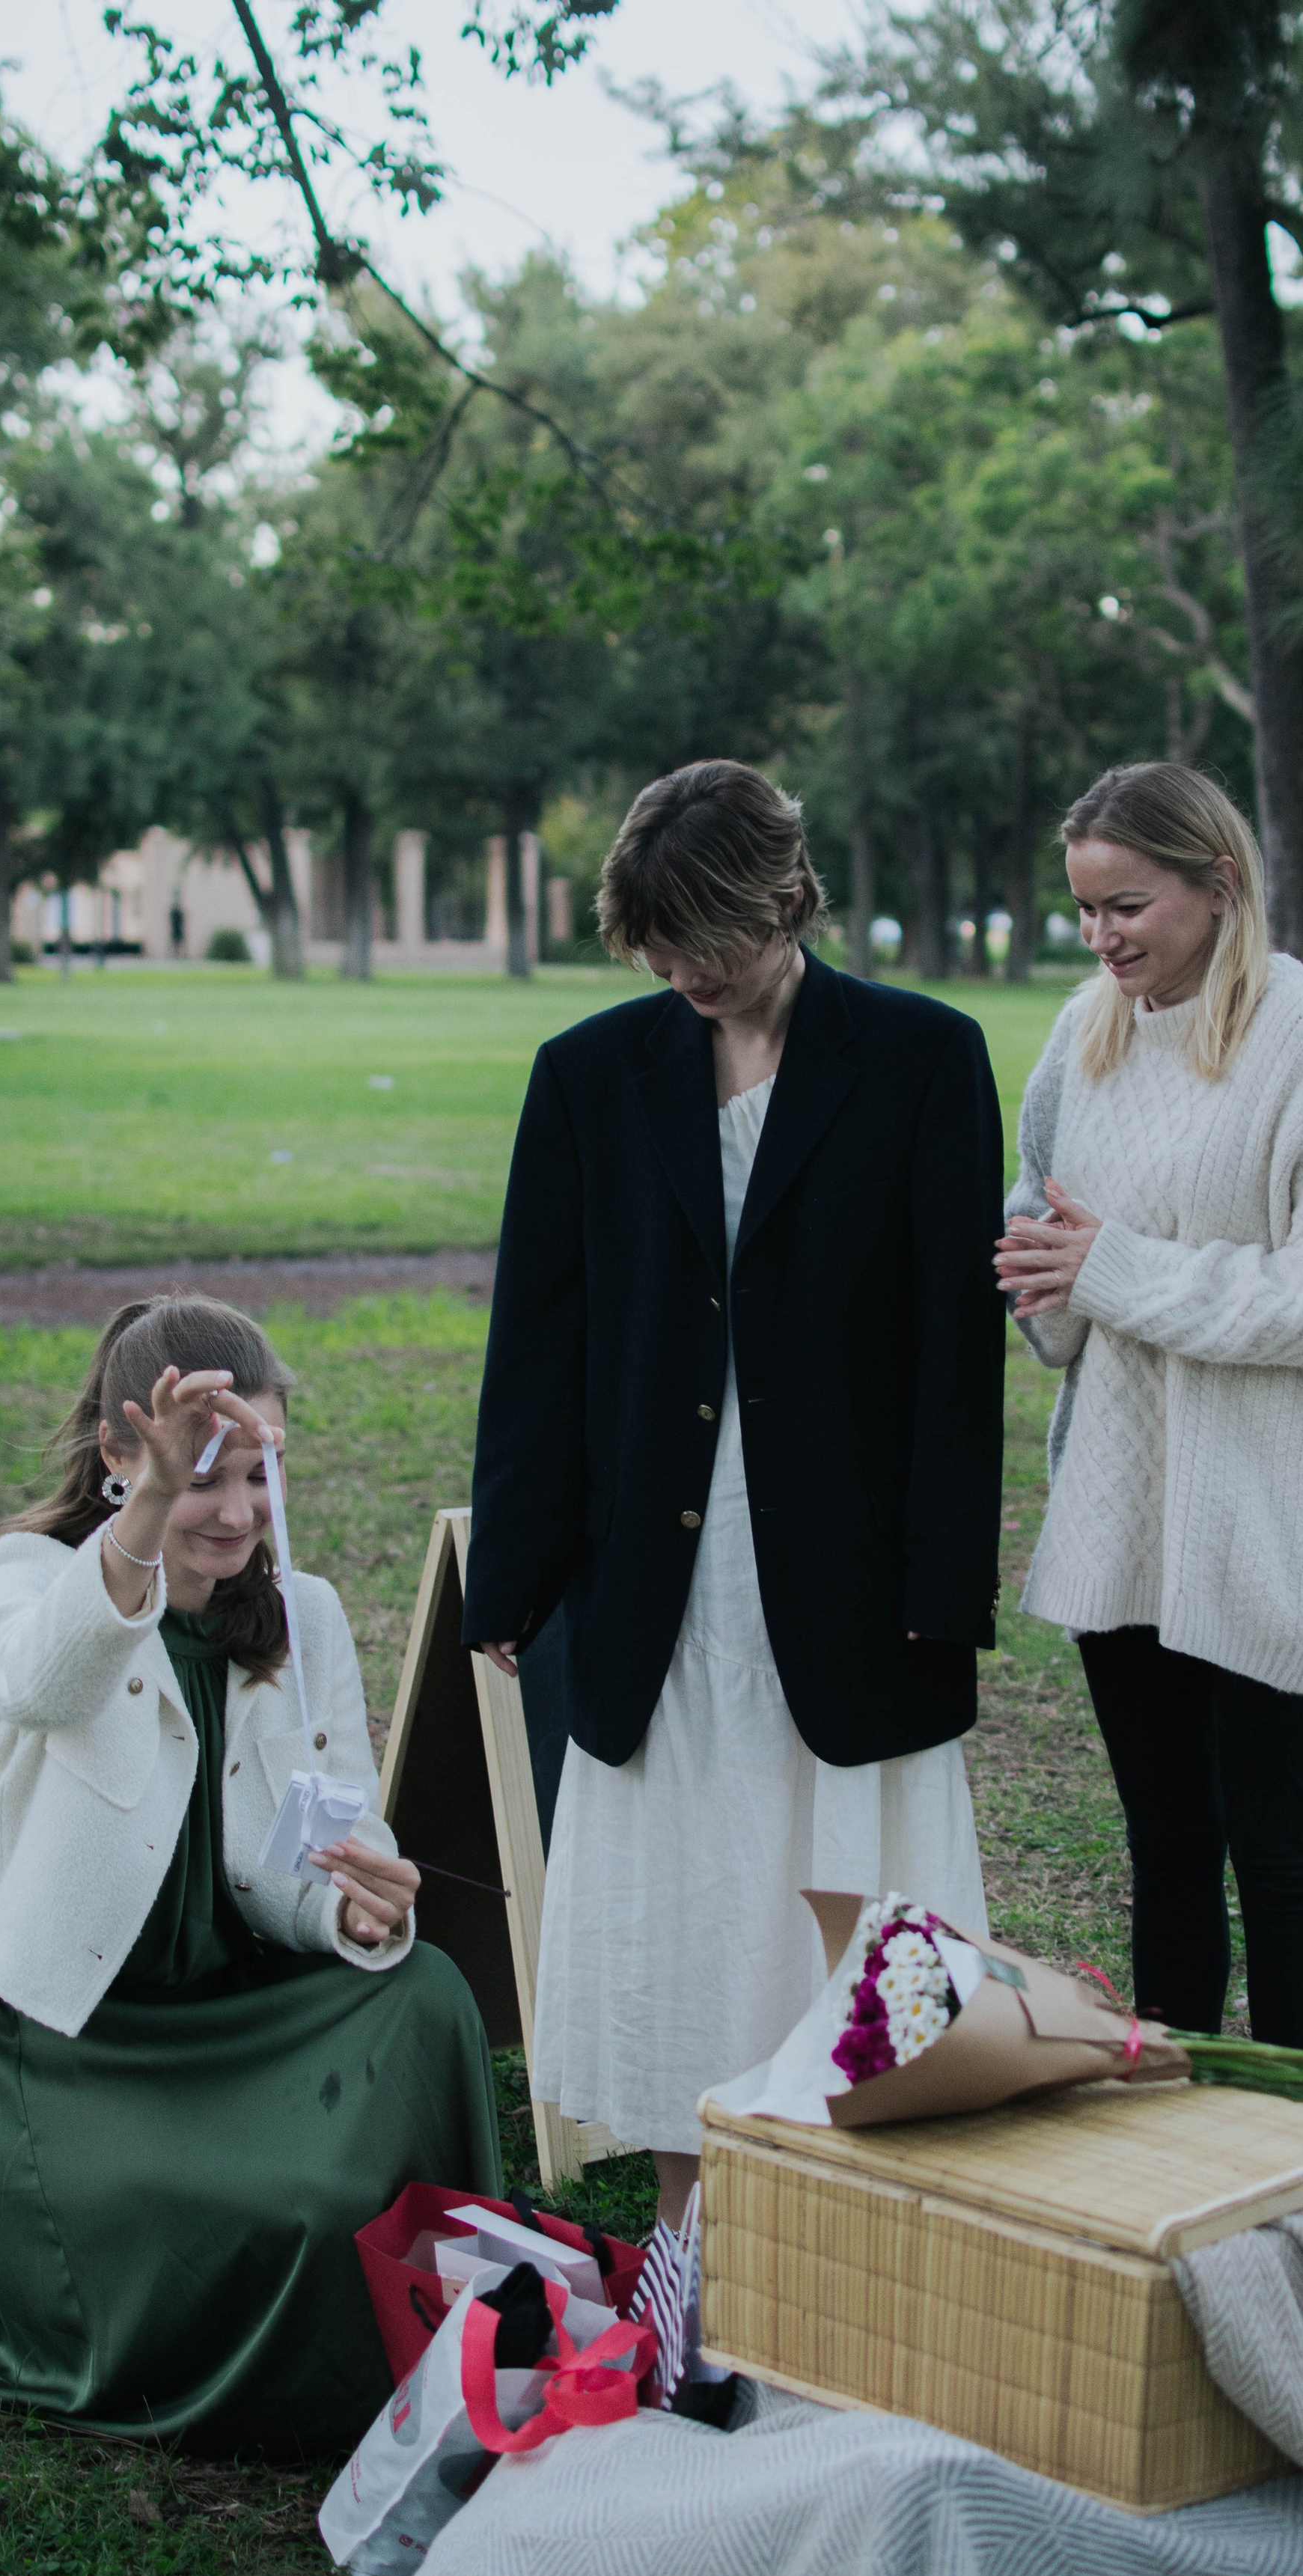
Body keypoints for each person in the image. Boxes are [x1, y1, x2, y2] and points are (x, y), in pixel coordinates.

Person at [463, 760, 1004, 2226]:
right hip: (649, 1577)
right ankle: (696, 2238)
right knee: (681, 1903)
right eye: (654, 945)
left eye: (702, 939)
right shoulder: (585, 1076)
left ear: (780, 900)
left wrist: (944, 1592)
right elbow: (539, 1340)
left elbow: (958, 1360)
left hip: (852, 1584)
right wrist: (506, 1576)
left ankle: (856, 2213)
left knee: (846, 1894)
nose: (678, 973)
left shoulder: (923, 1060)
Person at [0, 1295, 501, 2458]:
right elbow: (48, 1688)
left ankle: (403, 2276)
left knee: (428, 1990)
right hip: (70, 2035)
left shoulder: (307, 1617)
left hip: (237, 2000)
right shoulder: (21, 1581)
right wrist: (148, 1510)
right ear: (119, 1456)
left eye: (261, 1472)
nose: (240, 1512)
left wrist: (350, 1901)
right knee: (283, 2210)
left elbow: (322, 1835)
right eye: (205, 1476)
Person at [995, 764, 1303, 2054]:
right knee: (1167, 1847)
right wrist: (1045, 1281)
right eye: (1083, 911)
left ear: (1217, 884)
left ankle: (1296, 2144)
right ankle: (1174, 2137)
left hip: (1267, 1508)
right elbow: (1044, 1247)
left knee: (1275, 1849)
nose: (1102, 937)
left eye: (1127, 905)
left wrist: (1117, 1269)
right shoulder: (1086, 1032)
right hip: (1126, 1512)